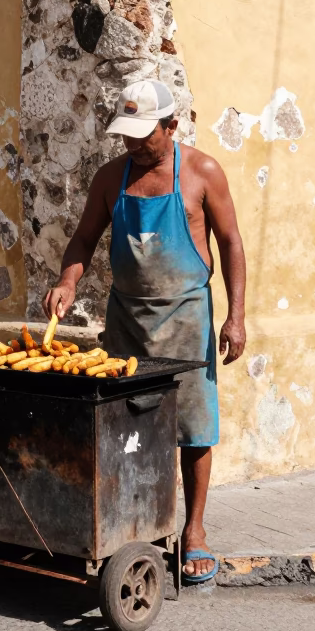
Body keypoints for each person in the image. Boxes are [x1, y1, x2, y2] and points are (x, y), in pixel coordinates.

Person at [44, 79, 247, 584]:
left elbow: (231, 243)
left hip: (186, 319)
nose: (134, 145)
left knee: (194, 430)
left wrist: (236, 316)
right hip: (127, 323)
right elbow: (84, 239)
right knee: (124, 427)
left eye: (144, 136)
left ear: (171, 125)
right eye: (127, 136)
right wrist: (68, 280)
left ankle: (193, 532)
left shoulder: (202, 173)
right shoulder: (111, 178)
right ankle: (130, 524)